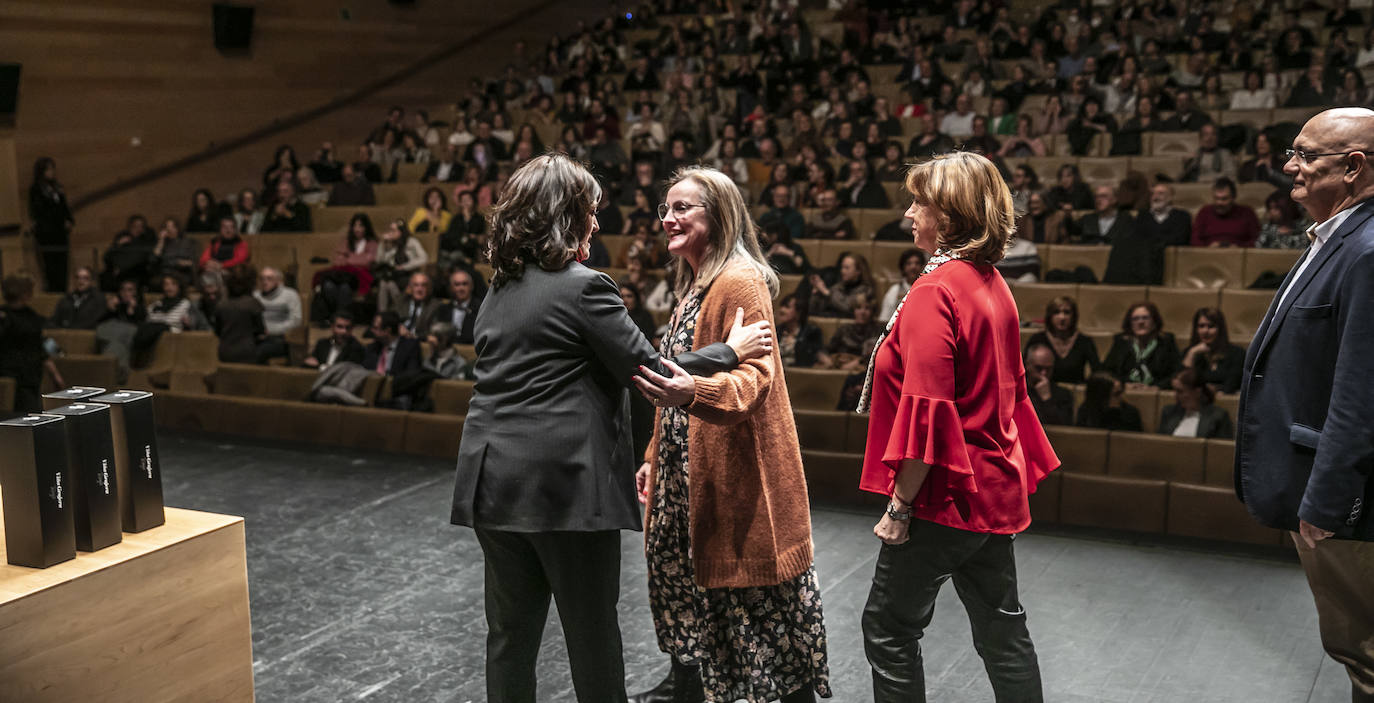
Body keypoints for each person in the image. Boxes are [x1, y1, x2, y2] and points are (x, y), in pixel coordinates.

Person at [449, 154, 769, 702]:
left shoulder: (499, 289)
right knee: (592, 635)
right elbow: (647, 368)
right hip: (564, 490)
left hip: (491, 484)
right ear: (565, 215)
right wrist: (728, 352)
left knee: (509, 637)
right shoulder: (583, 286)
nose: (596, 224)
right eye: (590, 212)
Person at [856, 152, 1057, 702]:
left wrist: (900, 508)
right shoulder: (992, 282)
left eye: (918, 202)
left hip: (942, 493)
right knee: (1002, 631)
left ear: (947, 215)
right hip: (991, 490)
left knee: (889, 629)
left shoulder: (933, 290)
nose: (909, 215)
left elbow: (929, 410)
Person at [628, 165, 828, 703]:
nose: (666, 219)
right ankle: (686, 688)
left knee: (762, 616)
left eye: (681, 208)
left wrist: (695, 393)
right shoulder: (696, 280)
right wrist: (653, 453)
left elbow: (753, 379)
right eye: (664, 209)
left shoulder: (738, 280)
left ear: (718, 215)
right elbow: (676, 377)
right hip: (681, 470)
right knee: (688, 596)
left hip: (734, 476)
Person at [1235, 108, 1374, 701]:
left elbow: (1362, 391)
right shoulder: (1339, 237)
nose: (1289, 166)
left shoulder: (1368, 250)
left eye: (1304, 155)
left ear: (1353, 167)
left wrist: (1329, 500)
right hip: (1326, 493)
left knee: (1364, 649)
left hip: (1348, 507)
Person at [0, 274, 65, 413]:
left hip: (23, 376)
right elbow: (40, 345)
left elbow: (41, 344)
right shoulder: (29, 319)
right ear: (25, 294)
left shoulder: (27, 316)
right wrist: (55, 374)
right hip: (21, 377)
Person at [1104, 184, 1192, 284]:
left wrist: (1155, 242)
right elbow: (1137, 238)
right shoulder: (1143, 216)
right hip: (1145, 263)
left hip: (1171, 261)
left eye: (1161, 193)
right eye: (1152, 194)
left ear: (1170, 197)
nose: (1155, 197)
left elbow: (1181, 239)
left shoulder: (1182, 216)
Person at [312, 213, 378, 323]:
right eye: (355, 226)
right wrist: (356, 259)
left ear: (366, 228)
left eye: (360, 226)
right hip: (341, 275)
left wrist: (348, 258)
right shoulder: (346, 242)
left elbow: (367, 261)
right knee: (328, 286)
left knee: (345, 288)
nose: (357, 229)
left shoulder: (372, 243)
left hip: (359, 277)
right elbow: (337, 261)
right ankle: (333, 317)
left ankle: (341, 318)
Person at [1103, 302, 1182, 389]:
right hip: (1126, 392)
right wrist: (1124, 385)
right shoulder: (1121, 342)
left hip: (1156, 392)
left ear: (1154, 322)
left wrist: (1156, 387)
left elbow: (1176, 373)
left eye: (1145, 318)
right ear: (1130, 324)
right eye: (1135, 319)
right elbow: (1107, 372)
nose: (1140, 322)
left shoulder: (1166, 342)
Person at [1025, 297, 1101, 384]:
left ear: (1074, 316)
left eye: (1067, 312)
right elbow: (1024, 368)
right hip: (1042, 391)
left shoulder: (1085, 341)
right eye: (1056, 312)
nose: (1062, 317)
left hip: (1074, 394)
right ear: (1050, 316)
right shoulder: (1037, 339)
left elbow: (1098, 373)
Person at [28, 157, 75, 293]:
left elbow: (64, 207)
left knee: (62, 265)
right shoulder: (36, 189)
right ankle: (53, 290)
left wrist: (69, 220)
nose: (51, 172)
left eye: (52, 168)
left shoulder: (57, 188)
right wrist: (59, 220)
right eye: (48, 169)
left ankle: (62, 289)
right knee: (51, 265)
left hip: (61, 233)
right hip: (47, 233)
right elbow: (39, 212)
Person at [1180, 307, 1245, 394]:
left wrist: (1215, 390)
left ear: (1220, 330)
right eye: (1201, 326)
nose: (1205, 331)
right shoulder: (1189, 352)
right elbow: (1181, 383)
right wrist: (1191, 354)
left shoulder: (1237, 353)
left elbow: (1232, 383)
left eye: (1211, 326)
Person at [372, 219, 428, 315]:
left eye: (394, 230)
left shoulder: (412, 242)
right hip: (394, 274)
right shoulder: (390, 244)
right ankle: (383, 315)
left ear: (401, 231)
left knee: (389, 284)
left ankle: (400, 313)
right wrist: (383, 244)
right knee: (383, 283)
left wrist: (405, 267)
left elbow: (424, 258)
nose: (391, 233)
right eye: (390, 230)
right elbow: (379, 260)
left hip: (409, 274)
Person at [1158, 368, 1234, 438]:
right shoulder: (1169, 412)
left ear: (1197, 392)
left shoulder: (1218, 416)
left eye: (1180, 391)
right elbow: (1158, 443)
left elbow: (1222, 450)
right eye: (1175, 391)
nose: (1176, 396)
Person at [214, 265, 266, 364]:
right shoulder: (253, 304)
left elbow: (217, 331)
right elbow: (260, 331)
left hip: (225, 352)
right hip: (247, 352)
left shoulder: (221, 304)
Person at [253, 267, 302, 364]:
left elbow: (296, 320)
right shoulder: (255, 296)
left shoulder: (290, 295)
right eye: (262, 278)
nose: (264, 282)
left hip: (280, 338)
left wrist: (270, 331)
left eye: (269, 278)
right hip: (257, 336)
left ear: (278, 281)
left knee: (259, 351)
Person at [1192, 177, 1260, 247]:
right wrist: (1207, 247)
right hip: (1208, 255)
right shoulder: (1204, 212)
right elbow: (1194, 240)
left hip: (1239, 255)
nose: (1219, 203)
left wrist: (1240, 248)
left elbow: (1257, 240)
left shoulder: (1247, 213)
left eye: (1224, 199)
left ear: (1233, 197)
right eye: (1216, 198)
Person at [808, 253, 876, 318]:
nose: (842, 271)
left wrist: (827, 293)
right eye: (842, 267)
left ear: (858, 271)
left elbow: (847, 307)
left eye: (846, 268)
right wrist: (817, 292)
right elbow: (813, 310)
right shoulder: (837, 287)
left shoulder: (866, 290)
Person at [1025, 340, 1074, 426]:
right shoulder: (1017, 392)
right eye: (1039, 368)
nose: (1044, 373)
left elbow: (1062, 429)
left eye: (1048, 369)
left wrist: (1047, 399)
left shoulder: (1064, 395)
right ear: (1027, 365)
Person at [1075, 372, 1144, 431]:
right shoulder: (1086, 411)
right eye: (1116, 394)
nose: (1122, 397)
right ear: (1101, 396)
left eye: (1121, 391)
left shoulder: (1130, 414)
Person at [362, 311, 421, 378]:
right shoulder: (372, 348)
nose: (372, 330)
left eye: (375, 328)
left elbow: (410, 376)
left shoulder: (410, 348)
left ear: (387, 330)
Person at [435, 269, 482, 345]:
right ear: (451, 288)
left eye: (465, 284)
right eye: (457, 284)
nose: (461, 288)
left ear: (471, 286)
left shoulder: (480, 308)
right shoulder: (443, 309)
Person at [776, 292, 823, 368]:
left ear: (799, 312)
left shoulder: (811, 333)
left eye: (787, 307)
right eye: (782, 306)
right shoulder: (776, 331)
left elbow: (815, 359)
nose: (782, 310)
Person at [879, 249, 927, 320]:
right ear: (903, 267)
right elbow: (884, 318)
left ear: (923, 267)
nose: (913, 267)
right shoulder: (894, 291)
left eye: (917, 263)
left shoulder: (928, 290)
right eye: (908, 263)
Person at [150, 217, 200, 285]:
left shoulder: (187, 242)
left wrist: (184, 263)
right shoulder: (161, 243)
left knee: (173, 280)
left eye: (172, 227)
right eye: (167, 227)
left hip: (180, 273)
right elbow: (153, 260)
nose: (170, 229)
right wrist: (161, 241)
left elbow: (192, 261)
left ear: (178, 229)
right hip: (164, 273)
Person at [391, 271, 440, 339]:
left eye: (423, 285)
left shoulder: (434, 306)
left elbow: (433, 331)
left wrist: (412, 336)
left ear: (429, 288)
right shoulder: (401, 302)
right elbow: (390, 320)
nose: (419, 289)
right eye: (416, 285)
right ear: (410, 287)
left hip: (418, 342)